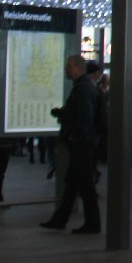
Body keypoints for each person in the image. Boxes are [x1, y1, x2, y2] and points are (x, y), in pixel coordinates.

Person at [39, 55, 101, 234]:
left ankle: (92, 223)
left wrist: (75, 136)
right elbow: (80, 113)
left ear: (77, 68)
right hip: (84, 143)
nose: (66, 69)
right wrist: (63, 113)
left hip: (82, 145)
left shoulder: (82, 88)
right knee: (73, 184)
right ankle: (60, 219)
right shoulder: (84, 87)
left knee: (85, 185)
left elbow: (85, 116)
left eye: (69, 66)